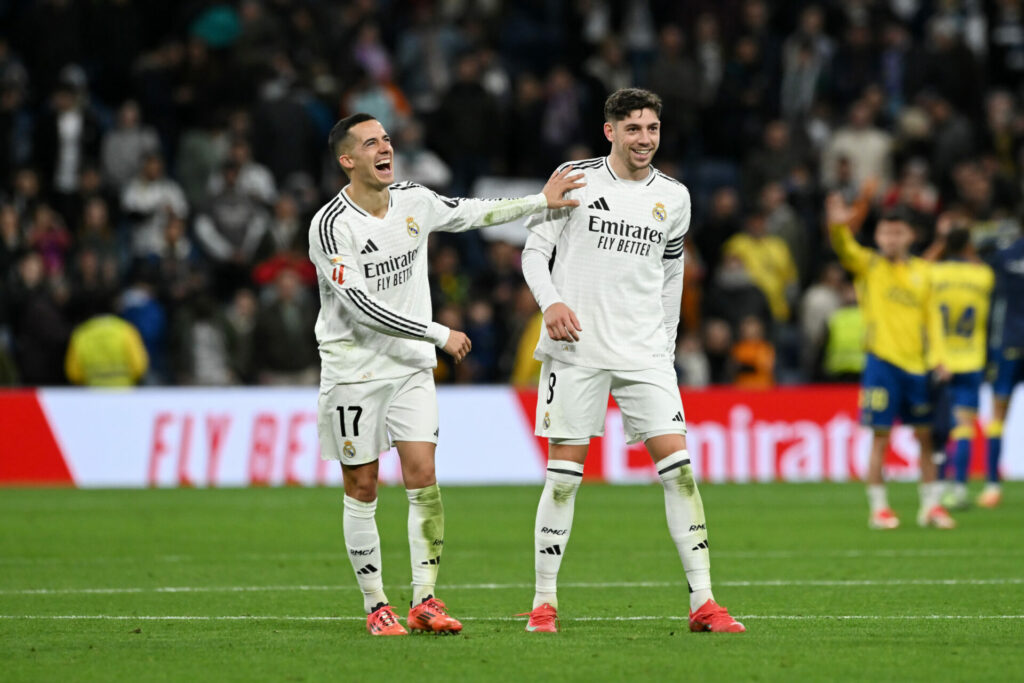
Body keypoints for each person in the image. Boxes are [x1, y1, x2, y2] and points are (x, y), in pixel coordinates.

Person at [309, 113, 582, 637]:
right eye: (370, 143)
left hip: (409, 368)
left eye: (386, 139)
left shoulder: (413, 199)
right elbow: (361, 305)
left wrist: (538, 200)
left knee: (423, 479)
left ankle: (424, 600)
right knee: (363, 486)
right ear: (348, 160)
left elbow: (470, 212)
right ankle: (375, 605)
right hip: (355, 370)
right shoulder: (331, 226)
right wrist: (438, 334)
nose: (385, 147)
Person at [519, 88, 744, 634]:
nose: (644, 139)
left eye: (652, 129)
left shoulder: (676, 196)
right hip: (578, 349)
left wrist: (664, 344)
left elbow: (673, 275)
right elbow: (532, 253)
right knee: (566, 479)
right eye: (634, 129)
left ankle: (703, 603)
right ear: (610, 131)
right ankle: (543, 602)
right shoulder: (576, 178)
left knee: (681, 473)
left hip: (644, 353)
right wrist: (551, 304)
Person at [826, 195, 954, 530]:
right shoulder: (868, 265)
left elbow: (933, 320)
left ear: (910, 236)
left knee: (925, 437)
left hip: (918, 367)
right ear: (878, 236)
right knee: (880, 438)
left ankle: (930, 507)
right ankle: (879, 509)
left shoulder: (925, 273)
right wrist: (838, 224)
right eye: (884, 233)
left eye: (897, 233)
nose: (890, 239)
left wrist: (939, 357)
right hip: (881, 364)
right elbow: (844, 247)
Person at [924, 228, 993, 510]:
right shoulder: (983, 276)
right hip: (972, 359)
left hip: (940, 361)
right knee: (964, 427)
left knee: (939, 428)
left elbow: (914, 270)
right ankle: (961, 487)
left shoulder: (933, 274)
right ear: (969, 247)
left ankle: (938, 487)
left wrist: (939, 244)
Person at [983, 224, 1024, 508]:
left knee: (999, 413)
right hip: (1011, 340)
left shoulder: (1005, 254)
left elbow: (980, 249)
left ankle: (992, 486)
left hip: (1009, 341)